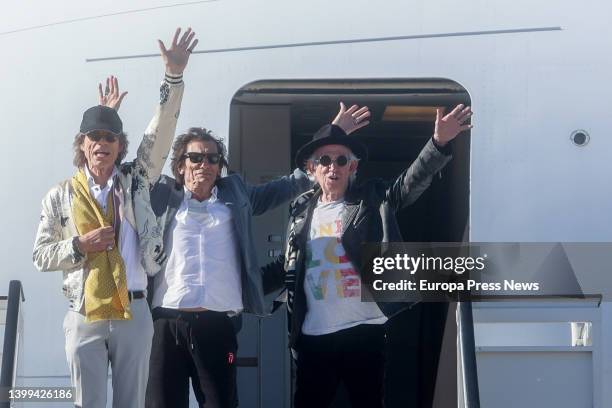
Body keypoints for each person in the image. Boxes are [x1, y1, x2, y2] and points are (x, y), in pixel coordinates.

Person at [145, 104, 370, 408]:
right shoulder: (162, 197)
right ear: (180, 166)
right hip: (168, 322)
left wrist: (331, 134)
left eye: (213, 158)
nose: (205, 165)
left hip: (217, 326)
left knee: (222, 403)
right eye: (196, 158)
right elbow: (138, 171)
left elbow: (288, 184)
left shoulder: (234, 193)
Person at [262, 103, 473, 408]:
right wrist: (241, 285)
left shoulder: (371, 199)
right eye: (324, 160)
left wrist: (438, 143)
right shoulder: (299, 211)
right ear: (312, 168)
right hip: (313, 334)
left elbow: (408, 185)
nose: (333, 166)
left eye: (341, 160)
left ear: (353, 167)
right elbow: (287, 266)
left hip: (364, 331)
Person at [32, 28, 198, 408]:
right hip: (84, 310)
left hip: (133, 309)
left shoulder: (136, 181)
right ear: (82, 145)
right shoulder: (61, 196)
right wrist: (78, 244)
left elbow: (162, 131)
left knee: (130, 403)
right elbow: (41, 255)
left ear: (120, 146)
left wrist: (173, 78)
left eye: (110, 137)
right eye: (94, 136)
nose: (101, 143)